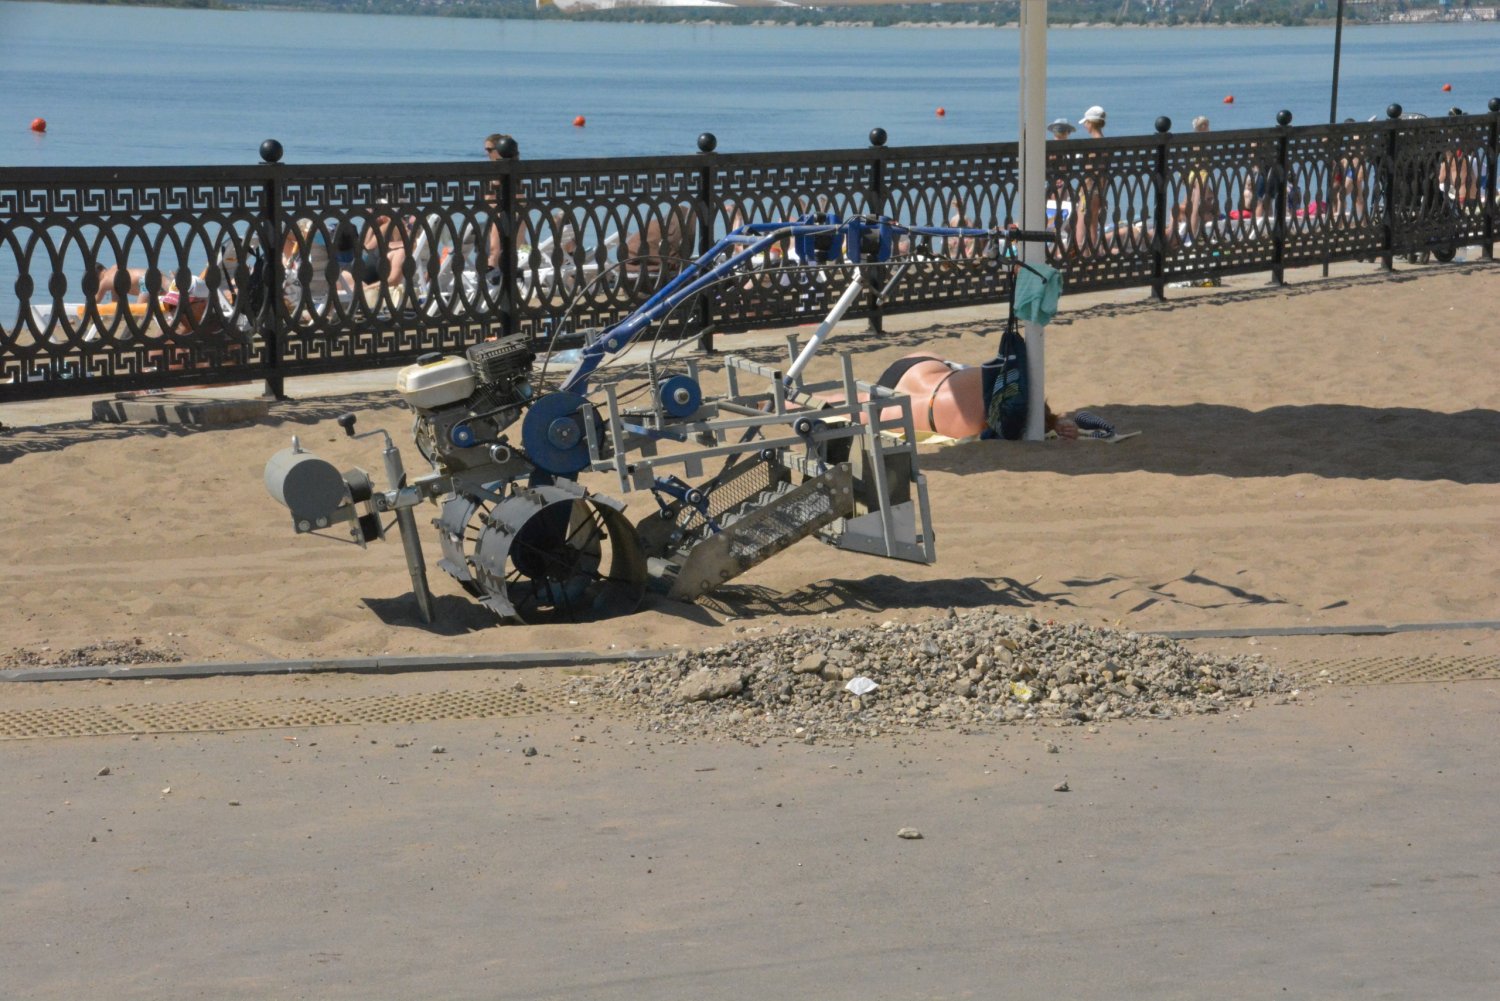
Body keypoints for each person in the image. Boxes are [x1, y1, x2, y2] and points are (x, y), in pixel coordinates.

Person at [874, 353, 1079, 441]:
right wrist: (1056, 424)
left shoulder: (1003, 380)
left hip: (923, 365)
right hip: (895, 412)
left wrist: (1054, 421)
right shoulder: (977, 424)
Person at [1074, 106, 1109, 255]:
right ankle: (1093, 255)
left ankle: (1083, 256)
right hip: (1098, 190)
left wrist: (1083, 162)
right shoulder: (1105, 143)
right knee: (1093, 225)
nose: (1084, 126)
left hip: (1089, 189)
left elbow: (1094, 169)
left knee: (1081, 226)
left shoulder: (1095, 144)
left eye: (1086, 123)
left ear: (1091, 123)